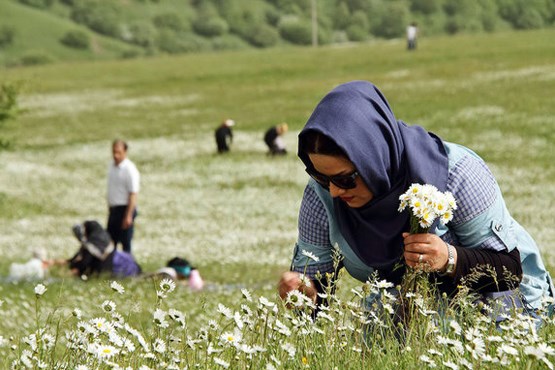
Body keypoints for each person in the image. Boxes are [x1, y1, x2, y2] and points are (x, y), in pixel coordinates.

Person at [278, 81, 553, 318]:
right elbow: (317, 283)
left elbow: (509, 270)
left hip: (499, 305)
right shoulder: (321, 194)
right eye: (320, 176)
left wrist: (449, 258)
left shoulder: (457, 171)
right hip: (405, 310)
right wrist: (307, 292)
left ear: (373, 158)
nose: (335, 191)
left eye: (346, 179)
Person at [49, 220, 141, 279]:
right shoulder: (98, 240)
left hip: (115, 268)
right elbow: (74, 259)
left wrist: (67, 274)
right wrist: (53, 262)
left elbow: (84, 263)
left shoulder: (94, 244)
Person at [107, 139, 140, 253]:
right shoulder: (111, 166)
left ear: (125, 152)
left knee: (126, 241)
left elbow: (133, 193)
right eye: (114, 152)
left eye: (119, 152)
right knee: (111, 241)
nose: (116, 155)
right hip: (114, 209)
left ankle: (128, 267)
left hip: (125, 209)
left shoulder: (129, 169)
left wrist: (128, 215)